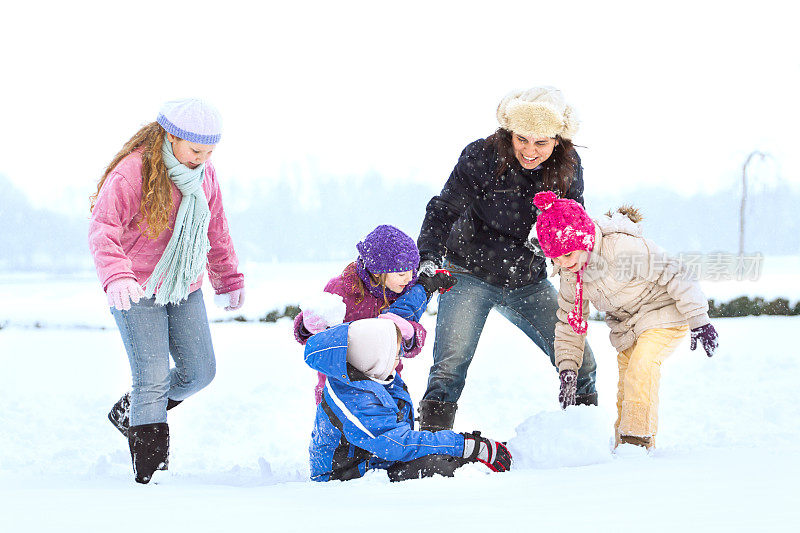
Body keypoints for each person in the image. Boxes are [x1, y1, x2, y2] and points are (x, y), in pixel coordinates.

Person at [416, 86, 597, 431]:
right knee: (449, 367)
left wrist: (571, 259)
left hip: (528, 281)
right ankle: (432, 444)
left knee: (581, 362)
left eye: (541, 142)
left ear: (557, 140)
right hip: (468, 272)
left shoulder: (568, 168)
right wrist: (429, 258)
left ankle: (584, 431)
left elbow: (574, 228)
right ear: (509, 132)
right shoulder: (480, 157)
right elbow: (443, 210)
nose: (530, 150)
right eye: (522, 139)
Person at [88, 98, 245, 483]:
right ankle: (151, 475)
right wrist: (117, 276)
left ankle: (131, 412)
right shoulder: (132, 173)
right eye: (196, 150)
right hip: (136, 288)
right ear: (171, 136)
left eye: (209, 152)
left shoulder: (204, 176)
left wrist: (228, 278)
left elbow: (216, 230)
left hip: (183, 284)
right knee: (152, 379)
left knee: (200, 371)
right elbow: (103, 227)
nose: (202, 158)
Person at [533, 191, 718, 450]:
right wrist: (567, 368)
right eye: (557, 258)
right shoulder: (570, 274)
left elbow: (675, 272)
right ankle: (627, 445)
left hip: (663, 312)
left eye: (568, 254)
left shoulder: (620, 248)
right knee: (628, 382)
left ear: (585, 239)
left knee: (643, 365)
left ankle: (636, 441)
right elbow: (569, 322)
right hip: (627, 328)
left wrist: (699, 319)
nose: (564, 262)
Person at [304, 318, 512, 481]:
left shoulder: (372, 375)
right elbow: (396, 444)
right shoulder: (354, 402)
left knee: (439, 456)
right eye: (394, 355)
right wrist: (466, 446)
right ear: (373, 358)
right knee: (439, 467)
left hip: (374, 457)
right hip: (344, 475)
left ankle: (472, 457)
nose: (399, 360)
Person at [293, 224, 456, 403]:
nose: (409, 278)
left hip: (385, 388)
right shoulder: (341, 290)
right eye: (402, 273)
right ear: (378, 271)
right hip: (340, 390)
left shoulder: (404, 292)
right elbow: (318, 345)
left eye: (412, 270)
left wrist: (409, 334)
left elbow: (411, 344)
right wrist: (307, 327)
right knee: (344, 430)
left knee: (392, 426)